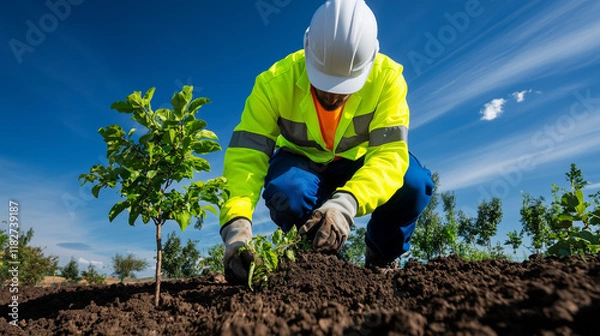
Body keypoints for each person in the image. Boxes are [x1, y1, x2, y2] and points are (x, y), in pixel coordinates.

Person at [219, 0, 433, 284]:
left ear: (369, 63)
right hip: (301, 165)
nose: (332, 96)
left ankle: (380, 257)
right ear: (307, 51)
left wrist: (345, 204)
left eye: (344, 87)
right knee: (288, 193)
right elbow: (246, 158)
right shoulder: (273, 85)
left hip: (358, 164)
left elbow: (389, 156)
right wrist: (237, 227)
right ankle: (318, 264)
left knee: (414, 185)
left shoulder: (387, 79)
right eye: (324, 84)